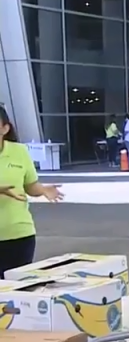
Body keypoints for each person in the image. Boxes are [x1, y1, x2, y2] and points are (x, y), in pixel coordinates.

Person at [0, 106, 64, 274]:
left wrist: (42, 189)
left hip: (19, 233)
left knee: (17, 291)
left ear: (5, 129)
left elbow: (30, 185)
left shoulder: (19, 151)